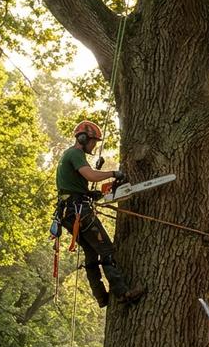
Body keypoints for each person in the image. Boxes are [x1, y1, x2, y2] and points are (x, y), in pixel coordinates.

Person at [55, 120, 145, 308]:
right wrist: (113, 173)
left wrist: (89, 193)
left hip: (68, 213)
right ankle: (122, 293)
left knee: (90, 253)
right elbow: (91, 175)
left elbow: (73, 184)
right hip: (78, 211)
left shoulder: (69, 155)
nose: (94, 145)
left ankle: (101, 296)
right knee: (107, 251)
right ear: (82, 138)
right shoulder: (75, 153)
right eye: (93, 141)